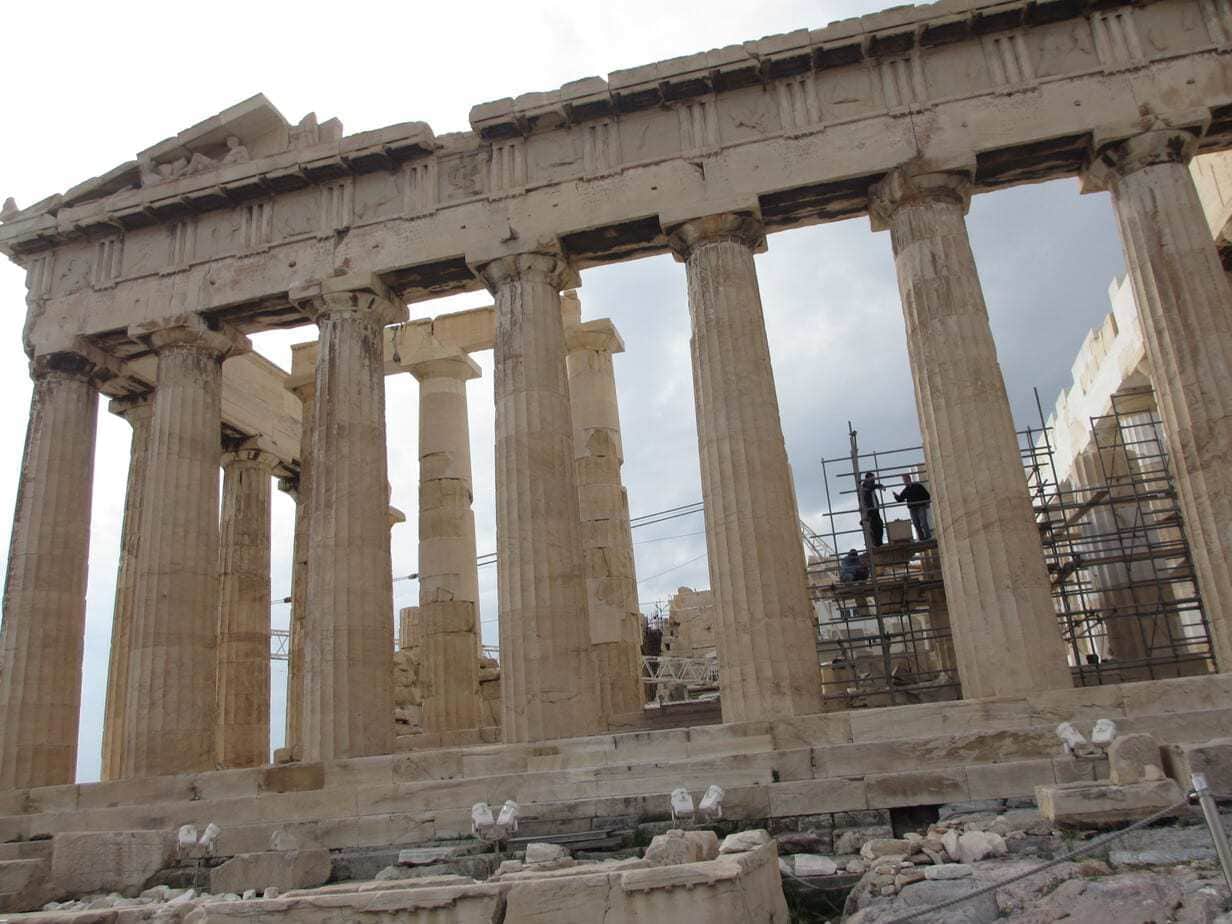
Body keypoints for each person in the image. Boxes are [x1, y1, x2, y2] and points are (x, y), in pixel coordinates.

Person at [894, 473, 933, 541]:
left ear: (909, 479)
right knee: (916, 524)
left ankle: (928, 536)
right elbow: (900, 499)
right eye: (904, 480)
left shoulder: (917, 486)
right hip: (912, 509)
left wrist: (927, 503)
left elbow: (927, 495)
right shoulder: (906, 490)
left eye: (905, 479)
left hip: (921, 506)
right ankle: (922, 538)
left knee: (923, 522)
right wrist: (896, 496)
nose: (905, 481)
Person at [860, 472, 886, 547]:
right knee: (875, 527)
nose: (873, 481)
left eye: (873, 479)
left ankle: (879, 543)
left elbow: (872, 487)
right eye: (872, 479)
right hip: (871, 511)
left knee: (880, 526)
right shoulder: (864, 487)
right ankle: (877, 544)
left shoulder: (871, 486)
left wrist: (878, 486)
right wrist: (879, 486)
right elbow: (869, 488)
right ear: (867, 479)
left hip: (875, 509)